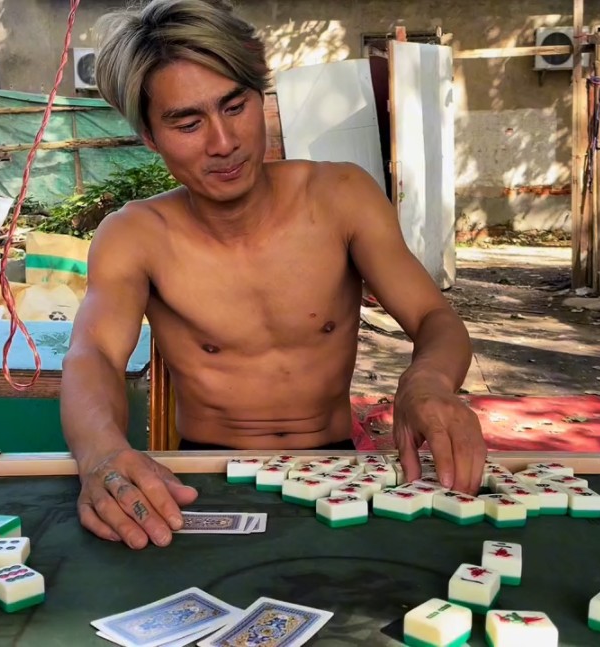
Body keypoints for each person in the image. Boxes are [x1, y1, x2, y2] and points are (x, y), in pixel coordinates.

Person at [60, 0, 486, 550]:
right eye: (187, 123)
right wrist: (100, 453)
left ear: (261, 97)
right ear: (149, 135)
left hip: (335, 469)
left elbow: (434, 317)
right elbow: (91, 354)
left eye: (234, 106)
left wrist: (425, 380)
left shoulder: (341, 197)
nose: (223, 142)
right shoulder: (134, 235)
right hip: (204, 480)